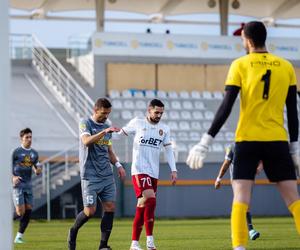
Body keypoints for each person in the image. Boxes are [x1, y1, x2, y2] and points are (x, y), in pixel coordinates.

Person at [187, 21, 300, 250]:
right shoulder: (286, 66)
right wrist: (295, 147)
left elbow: (226, 106)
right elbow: (293, 111)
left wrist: (205, 141)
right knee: (294, 200)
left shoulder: (240, 64)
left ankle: (239, 247)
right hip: (277, 140)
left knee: (240, 198)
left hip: (247, 140)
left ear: (247, 40)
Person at [118, 99, 177, 250]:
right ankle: (150, 241)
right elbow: (121, 132)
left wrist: (174, 169)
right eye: (156, 112)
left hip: (153, 172)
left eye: (161, 113)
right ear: (149, 110)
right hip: (139, 169)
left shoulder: (164, 129)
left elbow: (169, 150)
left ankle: (134, 244)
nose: (159, 115)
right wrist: (109, 133)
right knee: (151, 199)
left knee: (142, 205)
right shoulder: (138, 123)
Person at [68, 98, 126, 250]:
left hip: (106, 175)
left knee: (110, 207)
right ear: (95, 110)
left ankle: (103, 246)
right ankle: (73, 231)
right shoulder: (85, 123)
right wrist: (104, 131)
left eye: (108, 113)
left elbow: (109, 151)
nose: (106, 116)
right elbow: (86, 141)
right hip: (90, 175)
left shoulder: (106, 127)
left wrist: (118, 165)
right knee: (90, 211)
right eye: (103, 113)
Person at [215, 143, 261, 241]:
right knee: (241, 204)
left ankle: (247, 230)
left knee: (244, 204)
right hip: (237, 180)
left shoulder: (253, 145)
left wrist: (259, 168)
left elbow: (261, 160)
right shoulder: (232, 147)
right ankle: (247, 230)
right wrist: (219, 178)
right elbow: (226, 163)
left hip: (249, 178)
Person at [12, 128, 42, 243]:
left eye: (30, 137)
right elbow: (5, 166)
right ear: (21, 139)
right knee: (20, 212)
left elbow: (36, 167)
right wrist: (13, 177)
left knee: (28, 210)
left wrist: (37, 170)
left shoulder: (34, 153)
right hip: (18, 184)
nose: (29, 139)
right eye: (27, 137)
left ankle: (19, 236)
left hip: (28, 185)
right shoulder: (15, 152)